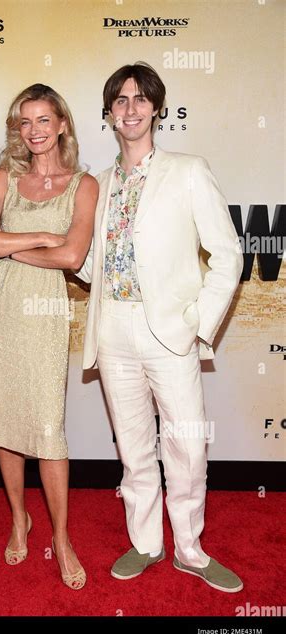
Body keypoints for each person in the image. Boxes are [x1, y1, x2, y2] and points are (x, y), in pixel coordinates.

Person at [75, 62, 244, 592]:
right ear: (109, 114)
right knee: (134, 447)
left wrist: (198, 327)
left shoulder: (189, 170)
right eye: (120, 100)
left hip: (170, 331)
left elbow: (228, 254)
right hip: (113, 330)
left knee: (187, 446)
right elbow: (87, 263)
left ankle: (190, 549)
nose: (130, 108)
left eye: (140, 99)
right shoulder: (95, 185)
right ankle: (146, 542)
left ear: (156, 108)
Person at [0, 83, 98, 590]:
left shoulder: (83, 184)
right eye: (25, 122)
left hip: (45, 313)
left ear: (62, 124)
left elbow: (72, 257)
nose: (35, 130)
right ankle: (19, 519)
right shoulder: (4, 176)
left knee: (48, 429)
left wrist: (13, 247)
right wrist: (42, 236)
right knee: (4, 421)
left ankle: (61, 537)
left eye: (44, 120)